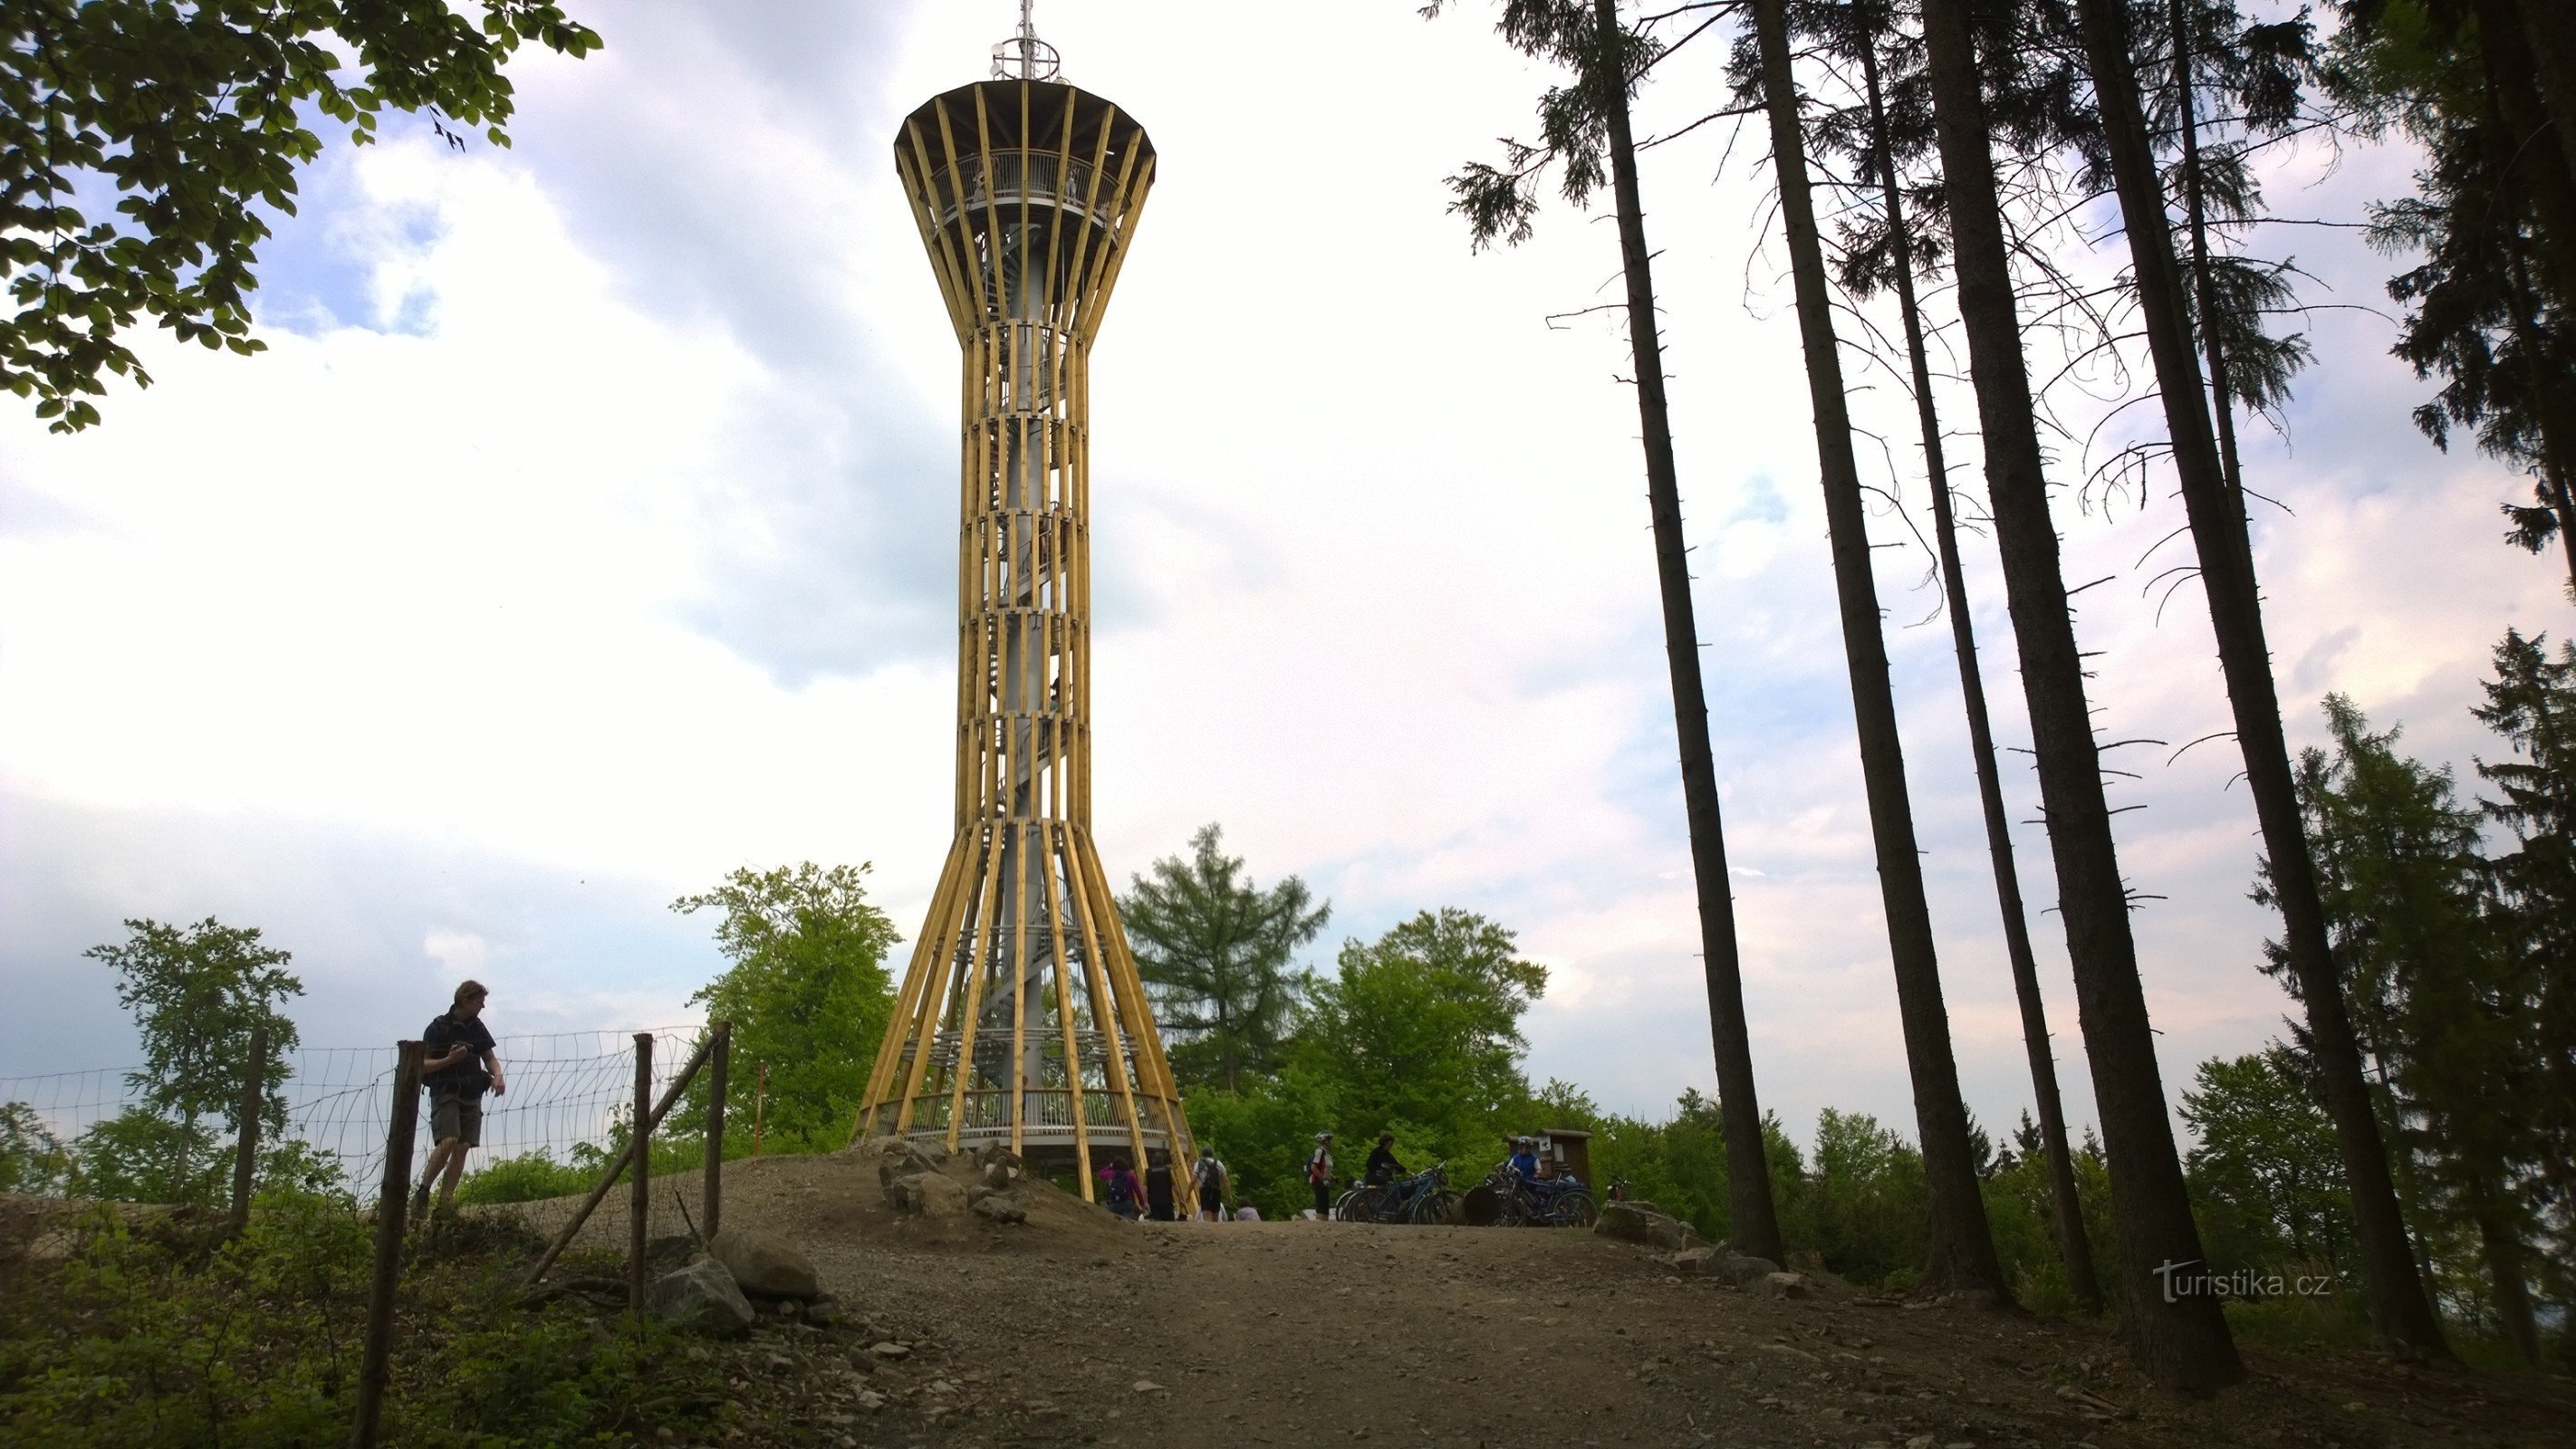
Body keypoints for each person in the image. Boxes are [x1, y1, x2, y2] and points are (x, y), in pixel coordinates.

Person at [413, 980, 505, 1224]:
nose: (483, 1006)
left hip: (472, 1092)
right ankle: (423, 1192)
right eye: (479, 1001)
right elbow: (422, 1065)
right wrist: (450, 1060)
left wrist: (497, 1076)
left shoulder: (477, 1027)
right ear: (465, 1000)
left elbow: (490, 1057)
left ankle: (445, 1206)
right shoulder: (438, 1028)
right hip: (446, 1091)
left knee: (463, 1146)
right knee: (449, 1140)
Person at [1098, 1156, 1143, 1220]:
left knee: (1115, 1225)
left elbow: (1100, 1174)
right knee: (1127, 1224)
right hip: (1127, 1203)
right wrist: (1142, 1203)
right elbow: (1137, 1190)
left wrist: (1110, 1167)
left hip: (1113, 1204)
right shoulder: (1130, 1175)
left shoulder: (1111, 1174)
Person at [1193, 1147, 1229, 1222]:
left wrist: (1188, 1194)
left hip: (1204, 1191)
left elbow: (1193, 1181)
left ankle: (1209, 1232)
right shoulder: (1219, 1163)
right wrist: (1229, 1194)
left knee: (1207, 1218)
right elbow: (1226, 1180)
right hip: (1217, 1191)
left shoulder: (1199, 1164)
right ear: (1212, 1154)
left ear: (1201, 1154)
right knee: (1216, 1219)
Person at [1305, 1131, 1334, 1220]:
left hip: (1324, 1181)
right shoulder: (1319, 1152)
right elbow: (1314, 1167)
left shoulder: (1326, 1154)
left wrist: (1334, 1178)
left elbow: (1325, 1169)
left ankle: (1324, 1226)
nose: (1331, 1142)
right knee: (1322, 1206)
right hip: (1319, 1181)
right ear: (1325, 1141)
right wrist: (1323, 1179)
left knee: (1325, 1206)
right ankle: (1319, 1225)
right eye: (1329, 1140)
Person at [1144, 1157, 1177, 1221]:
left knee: (1158, 1222)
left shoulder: (1148, 1171)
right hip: (1167, 1201)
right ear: (1162, 1160)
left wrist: (1144, 1201)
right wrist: (1180, 1198)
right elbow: (1174, 1185)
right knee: (1170, 1222)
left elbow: (1145, 1188)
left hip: (1154, 1202)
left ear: (1153, 1161)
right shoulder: (1167, 1170)